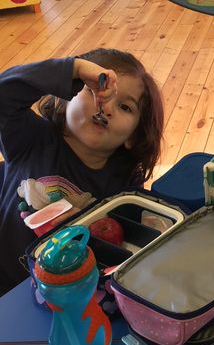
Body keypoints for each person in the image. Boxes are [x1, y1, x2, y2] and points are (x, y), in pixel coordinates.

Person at [0, 48, 164, 296]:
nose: (106, 107)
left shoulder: (125, 179)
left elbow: (124, 246)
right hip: (7, 281)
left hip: (70, 292)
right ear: (63, 97)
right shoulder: (30, 139)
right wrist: (73, 69)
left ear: (133, 137)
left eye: (125, 107)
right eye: (94, 89)